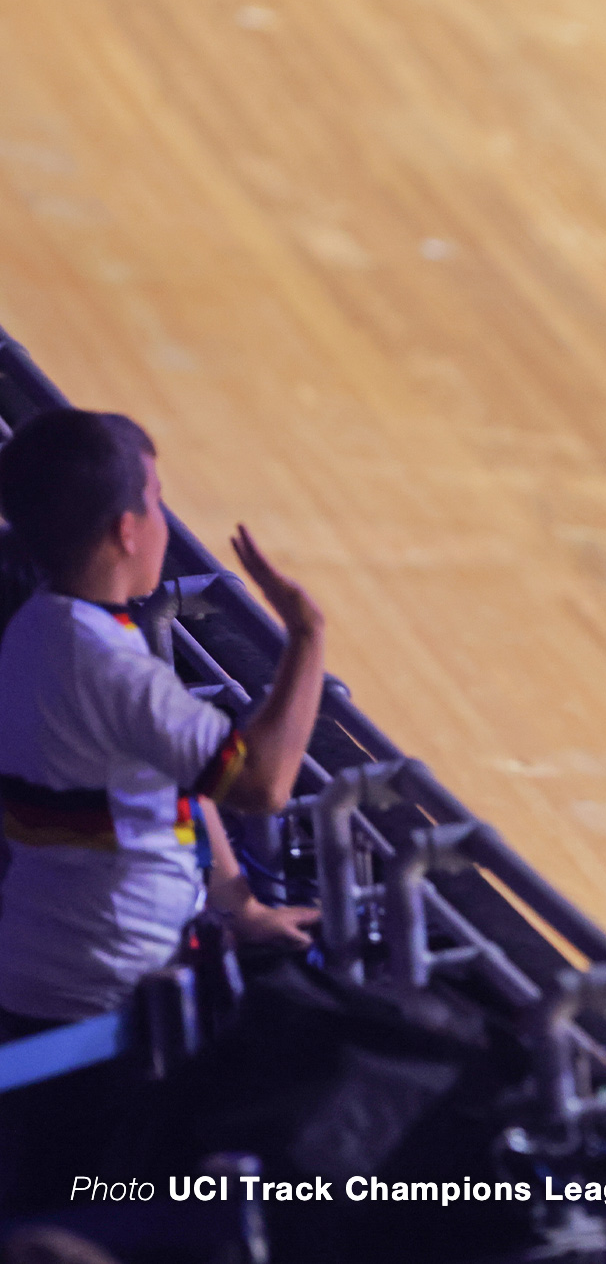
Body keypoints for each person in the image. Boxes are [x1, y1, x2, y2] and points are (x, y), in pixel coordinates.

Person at [0, 408, 324, 1207]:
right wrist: (307, 636)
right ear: (127, 531)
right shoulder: (111, 666)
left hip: (49, 985)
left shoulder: (42, 628)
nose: (161, 515)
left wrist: (235, 899)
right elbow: (262, 784)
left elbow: (172, 780)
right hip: (109, 1012)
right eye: (155, 497)